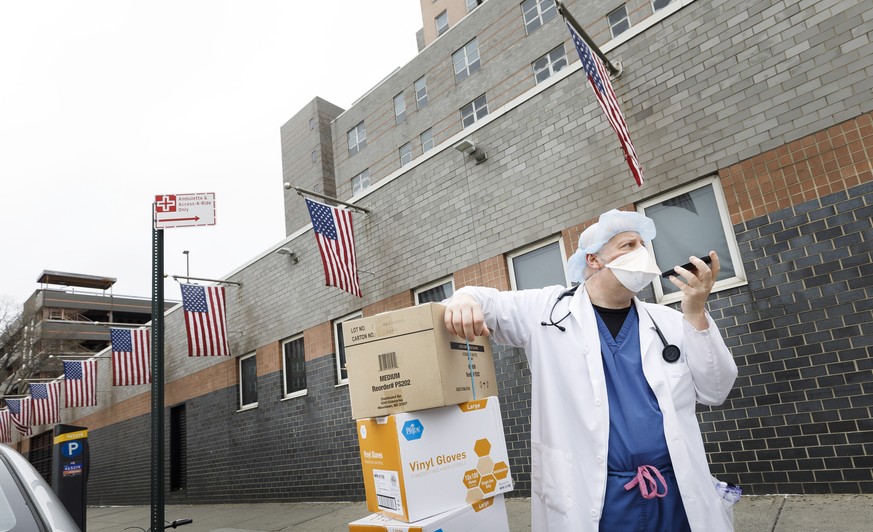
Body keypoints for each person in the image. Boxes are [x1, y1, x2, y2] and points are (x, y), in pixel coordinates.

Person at [444, 209, 738, 532]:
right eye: (628, 246)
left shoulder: (667, 322)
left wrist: (696, 314)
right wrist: (463, 298)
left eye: (643, 244)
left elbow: (716, 390)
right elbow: (489, 304)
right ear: (594, 260)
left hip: (674, 491)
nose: (641, 253)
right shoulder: (548, 311)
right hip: (598, 497)